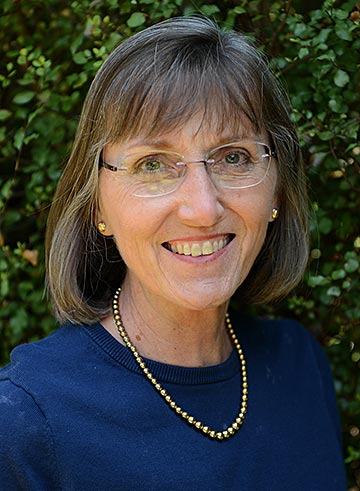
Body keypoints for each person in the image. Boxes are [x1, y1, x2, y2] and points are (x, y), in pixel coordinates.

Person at [0, 16, 346, 490]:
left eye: (233, 157)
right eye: (153, 165)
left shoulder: (299, 362)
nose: (202, 209)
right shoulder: (25, 422)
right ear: (99, 203)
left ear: (277, 190)